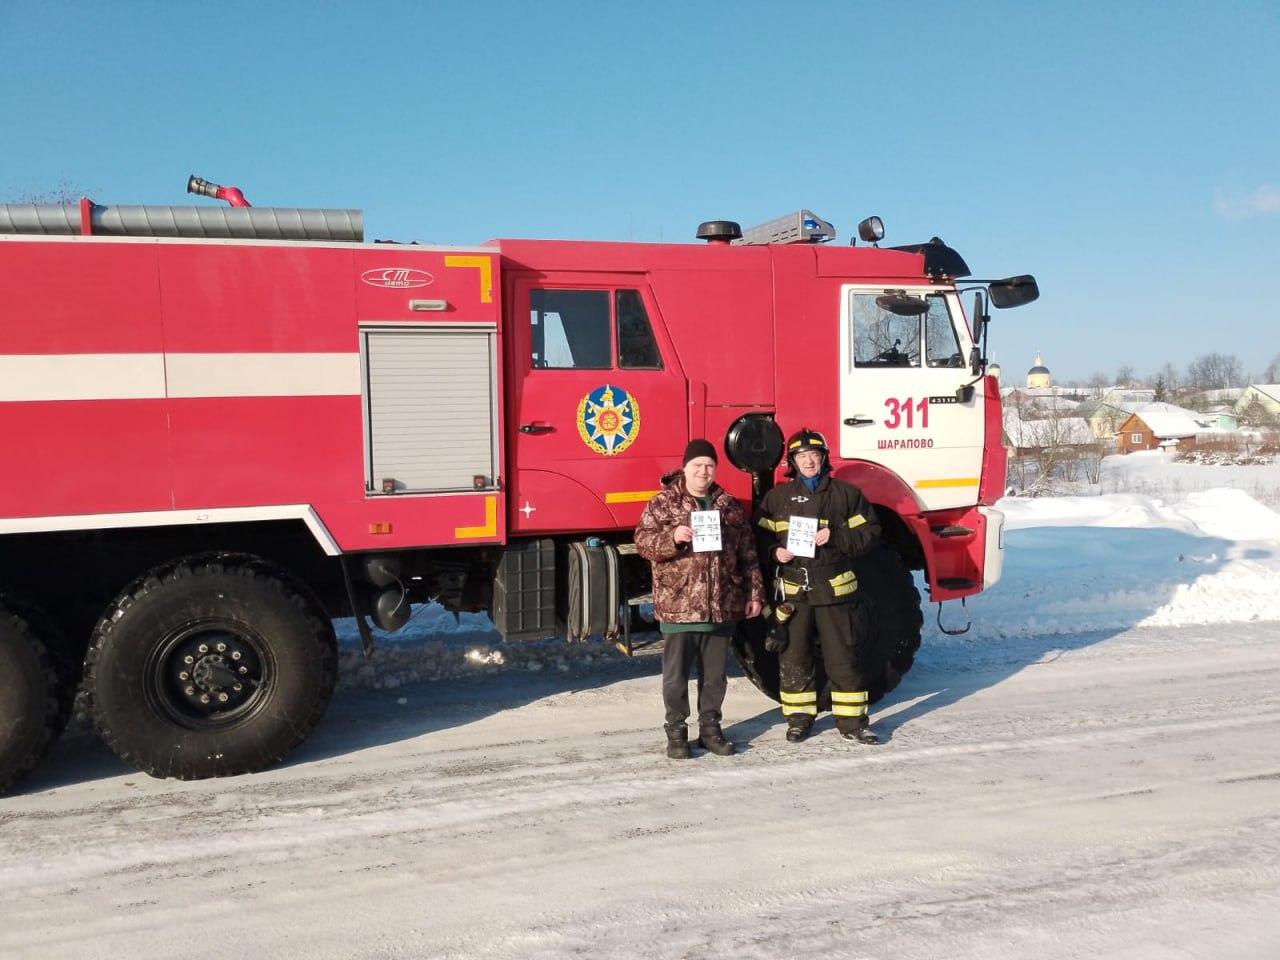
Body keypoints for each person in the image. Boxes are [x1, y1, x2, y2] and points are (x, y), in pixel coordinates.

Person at [635, 439, 765, 759]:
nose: (703, 471)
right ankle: (677, 734)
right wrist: (674, 538)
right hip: (678, 605)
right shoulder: (664, 503)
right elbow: (643, 542)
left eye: (709, 466)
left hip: (720, 605)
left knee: (715, 677)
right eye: (697, 466)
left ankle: (710, 730)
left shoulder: (729, 506)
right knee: (676, 677)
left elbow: (748, 554)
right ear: (685, 468)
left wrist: (754, 594)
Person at [756, 427, 883, 744]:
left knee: (843, 657)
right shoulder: (777, 499)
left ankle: (853, 722)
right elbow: (757, 538)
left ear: (824, 458)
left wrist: (836, 537)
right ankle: (799, 719)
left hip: (835, 592)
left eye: (814, 455)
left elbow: (871, 534)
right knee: (794, 658)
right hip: (794, 595)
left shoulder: (846, 495)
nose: (808, 461)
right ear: (792, 462)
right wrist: (775, 552)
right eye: (802, 456)